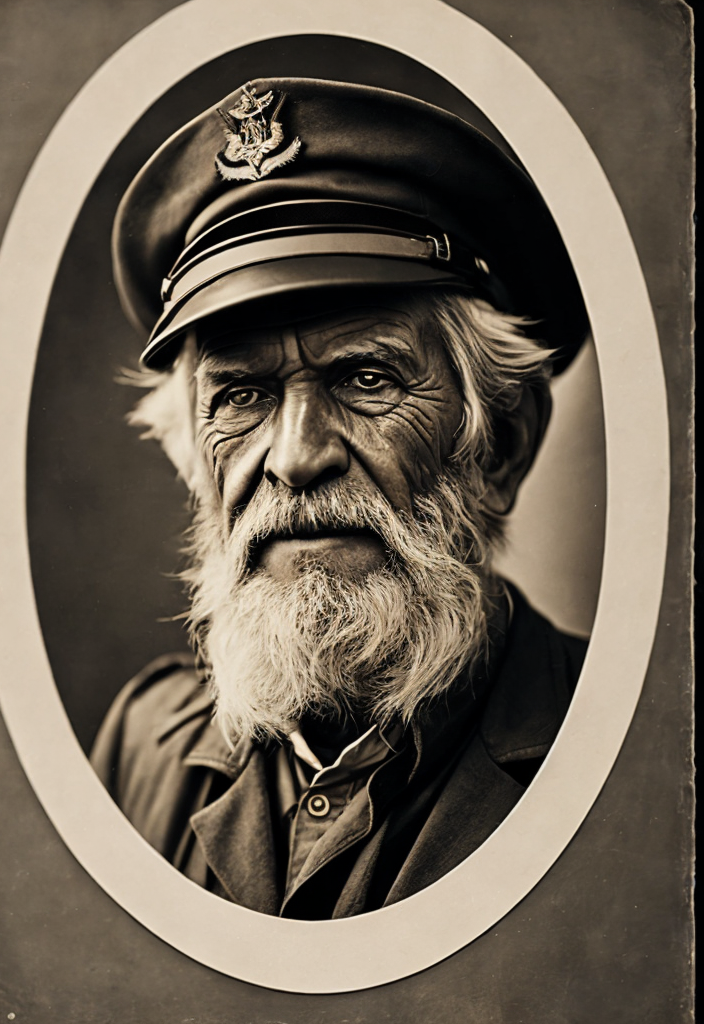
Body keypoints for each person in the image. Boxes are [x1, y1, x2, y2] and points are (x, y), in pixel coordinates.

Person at [91, 77, 590, 920]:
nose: (295, 458)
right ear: (193, 464)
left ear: (502, 442)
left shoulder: (629, 751)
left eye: (367, 378)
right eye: (242, 394)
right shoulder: (141, 743)